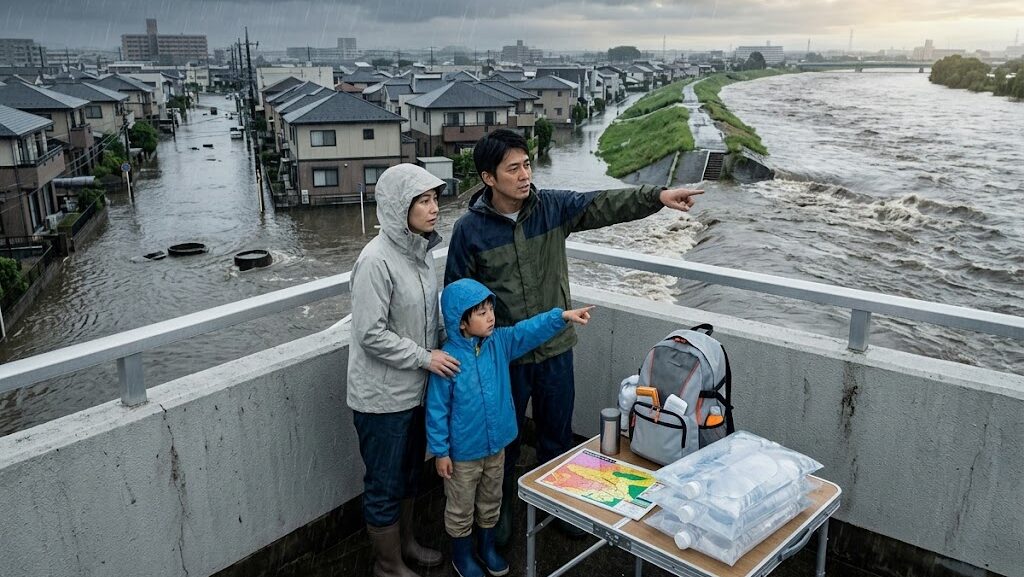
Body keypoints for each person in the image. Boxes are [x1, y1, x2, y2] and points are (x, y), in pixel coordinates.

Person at [444, 128, 703, 544]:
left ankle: (560, 509)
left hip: (556, 350)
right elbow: (457, 298)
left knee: (557, 437)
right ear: (489, 178)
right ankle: (499, 518)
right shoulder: (469, 231)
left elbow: (603, 204)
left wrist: (658, 196)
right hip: (503, 359)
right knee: (502, 445)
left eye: (527, 164)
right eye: (513, 169)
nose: (525, 175)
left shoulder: (550, 208)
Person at [425, 278, 594, 577]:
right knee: (461, 507)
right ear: (461, 322)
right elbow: (437, 411)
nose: (490, 316)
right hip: (462, 455)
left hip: (496, 447)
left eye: (490, 309)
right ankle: (462, 557)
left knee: (491, 500)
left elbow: (527, 331)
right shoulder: (448, 361)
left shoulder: (499, 343)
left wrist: (561, 317)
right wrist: (441, 452)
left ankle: (487, 548)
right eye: (481, 313)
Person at [348, 163, 462, 577]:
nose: (434, 208)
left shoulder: (420, 253)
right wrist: (426, 357)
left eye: (435, 199)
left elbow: (428, 318)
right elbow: (370, 334)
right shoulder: (375, 261)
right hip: (381, 398)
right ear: (400, 207)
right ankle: (387, 564)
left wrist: (455, 338)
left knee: (411, 473)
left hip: (416, 392)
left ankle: (407, 543)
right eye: (424, 201)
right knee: (384, 482)